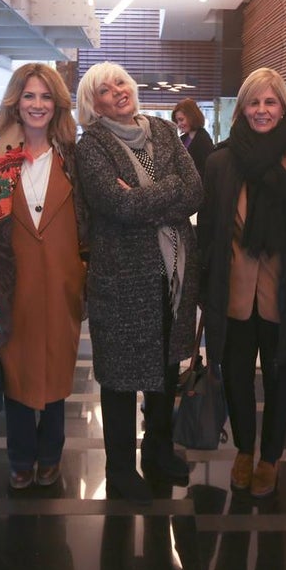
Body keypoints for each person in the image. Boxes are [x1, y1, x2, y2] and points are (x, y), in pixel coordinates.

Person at [74, 61, 202, 505]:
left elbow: (196, 190)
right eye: (104, 90)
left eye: (121, 83)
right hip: (122, 279)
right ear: (93, 105)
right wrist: (164, 193)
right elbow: (114, 204)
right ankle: (121, 468)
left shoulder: (165, 130)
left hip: (173, 274)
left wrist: (139, 197)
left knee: (167, 367)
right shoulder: (91, 145)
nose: (116, 92)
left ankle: (159, 451)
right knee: (120, 376)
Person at [198, 67, 286, 498]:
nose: (261, 110)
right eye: (254, 102)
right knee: (236, 374)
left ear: (284, 108)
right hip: (233, 291)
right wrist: (204, 286)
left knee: (280, 378)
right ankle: (243, 450)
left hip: (285, 292)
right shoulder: (220, 161)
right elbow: (209, 231)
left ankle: (270, 457)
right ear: (242, 109)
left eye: (270, 102)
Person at [0, 63, 86, 490]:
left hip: (61, 282)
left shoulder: (74, 156)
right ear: (16, 100)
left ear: (57, 104)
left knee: (55, 372)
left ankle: (50, 455)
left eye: (46, 97)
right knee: (14, 372)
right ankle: (20, 459)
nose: (37, 105)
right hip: (9, 287)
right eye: (29, 96)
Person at [172, 98, 214, 177]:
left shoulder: (203, 139)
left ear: (192, 117)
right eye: (177, 121)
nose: (179, 124)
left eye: (181, 120)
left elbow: (206, 169)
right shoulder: (183, 138)